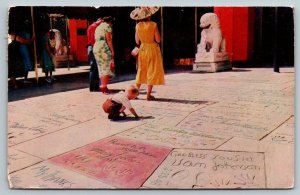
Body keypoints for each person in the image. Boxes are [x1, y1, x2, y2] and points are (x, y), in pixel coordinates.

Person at [130, 7, 165, 101]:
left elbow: (137, 41)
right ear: (149, 15)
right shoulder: (153, 24)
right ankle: (148, 95)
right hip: (152, 49)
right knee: (152, 71)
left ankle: (134, 93)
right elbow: (158, 39)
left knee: (141, 70)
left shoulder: (138, 26)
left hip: (142, 49)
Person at [93, 16, 115, 94]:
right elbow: (109, 39)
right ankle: (104, 87)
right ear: (110, 22)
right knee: (106, 67)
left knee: (100, 67)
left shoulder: (98, 27)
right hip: (103, 47)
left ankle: (103, 85)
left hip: (96, 47)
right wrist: (112, 51)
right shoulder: (107, 27)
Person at [87, 18, 103, 92]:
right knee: (95, 68)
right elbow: (94, 39)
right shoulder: (95, 27)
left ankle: (93, 87)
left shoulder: (90, 26)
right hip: (94, 47)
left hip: (90, 47)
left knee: (93, 68)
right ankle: (95, 87)